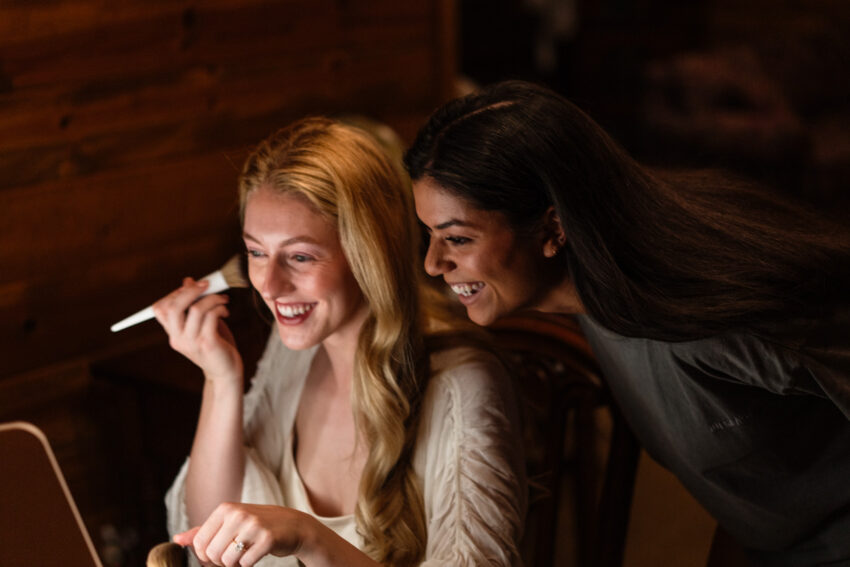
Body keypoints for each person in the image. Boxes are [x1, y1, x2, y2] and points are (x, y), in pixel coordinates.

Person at [405, 80, 850, 566]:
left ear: (554, 228)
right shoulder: (598, 297)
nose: (432, 262)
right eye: (429, 233)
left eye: (458, 239)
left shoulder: (715, 323)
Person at [153, 117, 526, 567]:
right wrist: (220, 378)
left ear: (369, 253)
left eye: (300, 256)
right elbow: (207, 536)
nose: (269, 285)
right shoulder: (296, 352)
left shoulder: (463, 387)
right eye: (256, 251)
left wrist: (310, 538)